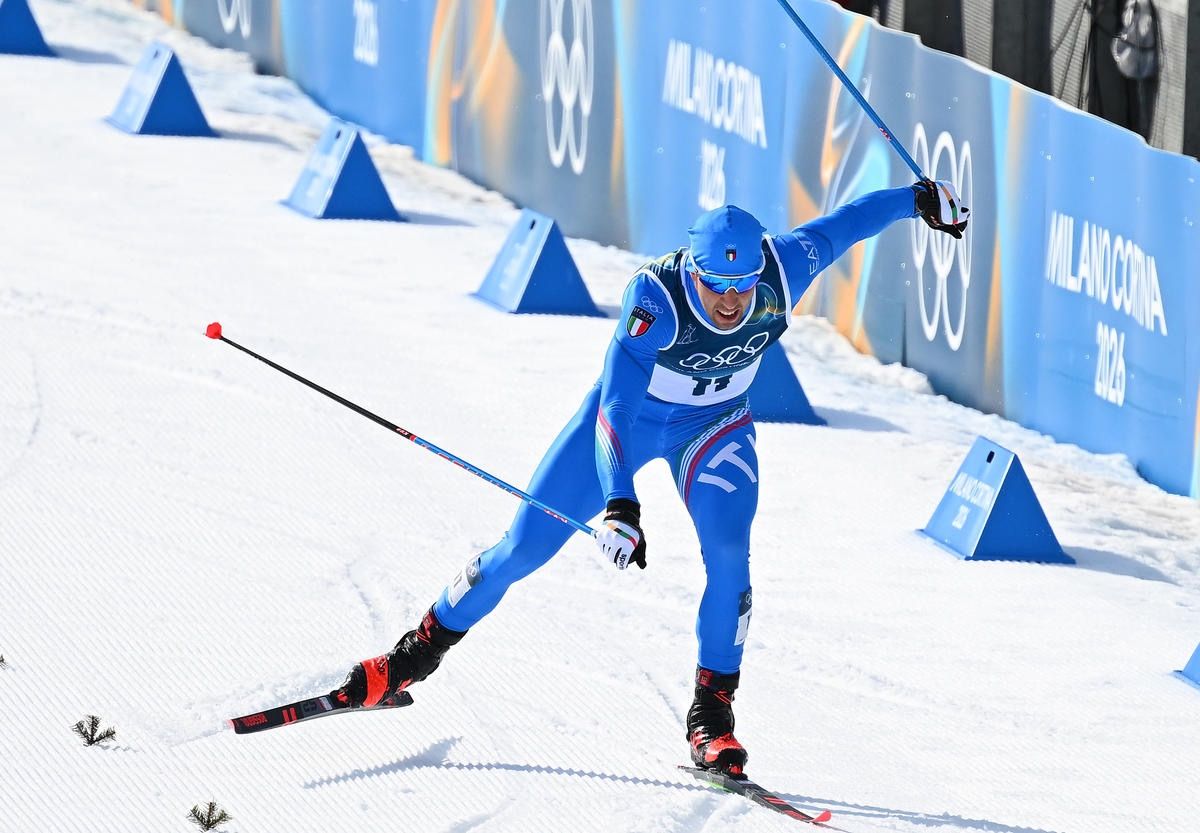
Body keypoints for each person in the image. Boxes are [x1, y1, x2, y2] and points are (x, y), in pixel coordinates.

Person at [333, 179, 969, 776]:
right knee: (523, 548)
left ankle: (711, 718)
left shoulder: (783, 267)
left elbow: (852, 221)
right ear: (695, 272)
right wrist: (621, 505)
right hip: (630, 424)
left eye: (743, 287)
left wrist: (919, 199)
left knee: (730, 557)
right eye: (718, 287)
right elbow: (615, 408)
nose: (732, 302)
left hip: (715, 426)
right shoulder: (656, 297)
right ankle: (410, 659)